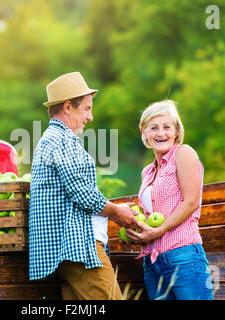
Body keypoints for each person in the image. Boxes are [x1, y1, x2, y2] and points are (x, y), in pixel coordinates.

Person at [28, 71, 141, 300]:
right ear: (68, 107)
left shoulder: (52, 139)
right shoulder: (62, 139)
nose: (90, 117)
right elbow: (83, 194)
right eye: (87, 109)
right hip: (76, 248)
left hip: (65, 251)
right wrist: (117, 212)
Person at [125, 99, 214, 300]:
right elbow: (152, 214)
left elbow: (191, 202)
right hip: (153, 261)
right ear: (144, 132)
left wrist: (157, 231)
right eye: (153, 128)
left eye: (167, 127)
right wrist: (136, 226)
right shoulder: (146, 172)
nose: (161, 133)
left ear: (176, 131)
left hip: (183, 255)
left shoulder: (183, 153)